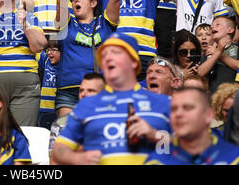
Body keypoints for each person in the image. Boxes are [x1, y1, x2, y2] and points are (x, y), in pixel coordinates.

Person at [51, 33, 172, 165]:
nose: (107, 58)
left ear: (133, 62)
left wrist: (155, 135)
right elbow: (59, 149)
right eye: (104, 55)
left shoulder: (163, 103)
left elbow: (189, 148)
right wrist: (78, 158)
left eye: (115, 52)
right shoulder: (87, 105)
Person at [54, 0, 120, 117]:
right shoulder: (67, 25)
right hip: (69, 91)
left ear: (93, 2)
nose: (76, 0)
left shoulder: (104, 23)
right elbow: (61, 4)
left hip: (101, 89)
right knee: (66, 137)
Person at [144, 87, 239, 165]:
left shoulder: (235, 159)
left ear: (208, 115)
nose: (178, 114)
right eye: (173, 109)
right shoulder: (156, 162)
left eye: (188, 107)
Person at [48, 73, 105, 164]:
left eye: (91, 91)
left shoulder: (114, 119)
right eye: (81, 90)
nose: (83, 94)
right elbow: (53, 161)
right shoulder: (61, 123)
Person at [197, 16, 239, 95]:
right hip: (214, 98)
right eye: (212, 25)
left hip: (234, 96)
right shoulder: (208, 51)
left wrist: (220, 55)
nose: (212, 26)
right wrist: (218, 51)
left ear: (230, 30)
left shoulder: (237, 48)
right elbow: (200, 73)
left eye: (217, 24)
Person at [37, 41, 60, 129]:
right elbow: (37, 48)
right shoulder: (46, 61)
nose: (49, 52)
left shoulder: (67, 65)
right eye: (48, 50)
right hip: (44, 110)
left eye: (53, 50)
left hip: (59, 110)